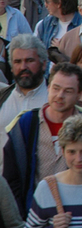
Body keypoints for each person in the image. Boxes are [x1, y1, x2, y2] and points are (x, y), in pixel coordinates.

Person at [3, 63, 82, 217]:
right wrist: (22, 218)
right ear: (48, 87)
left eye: (68, 91)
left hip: (81, 216)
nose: (60, 95)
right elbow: (12, 178)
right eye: (56, 88)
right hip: (37, 215)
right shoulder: (27, 123)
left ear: (80, 94)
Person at [0, 34, 51, 168]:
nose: (23, 67)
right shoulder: (3, 97)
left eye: (29, 60)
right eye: (17, 62)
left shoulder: (54, 99)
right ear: (11, 67)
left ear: (44, 64)